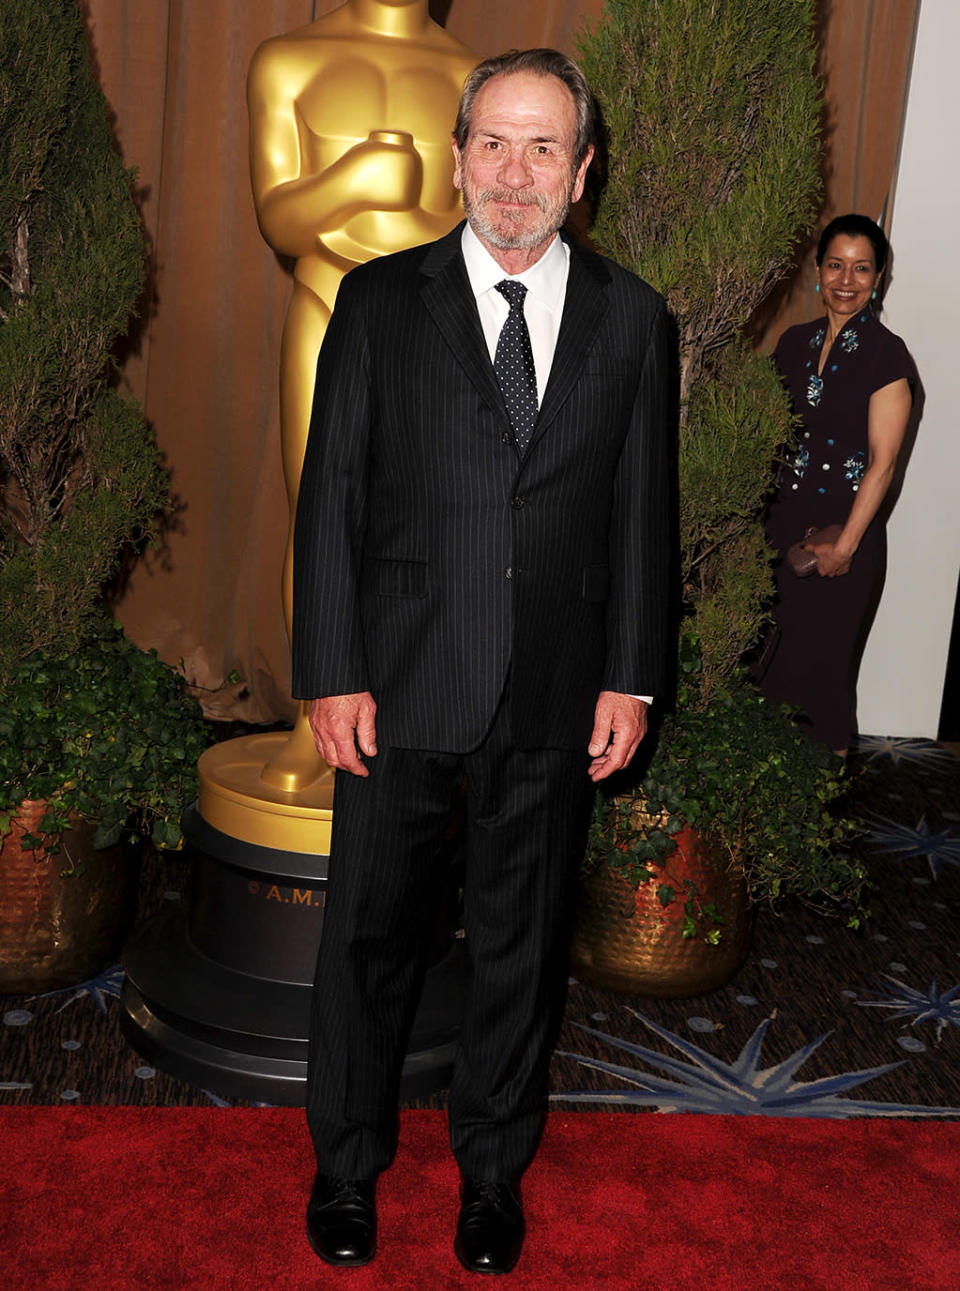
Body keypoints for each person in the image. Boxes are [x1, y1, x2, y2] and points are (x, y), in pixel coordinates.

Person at [292, 48, 671, 1274]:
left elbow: (639, 515)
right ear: (457, 159)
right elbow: (332, 493)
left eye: (544, 148)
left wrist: (632, 674)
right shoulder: (380, 301)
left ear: (584, 171)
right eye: (494, 145)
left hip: (559, 691)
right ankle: (345, 1166)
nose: (515, 174)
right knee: (369, 937)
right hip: (400, 683)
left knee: (522, 946)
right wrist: (330, 666)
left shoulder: (634, 318)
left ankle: (492, 1177)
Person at [247, 0, 477, 791]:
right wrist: (352, 181)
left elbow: (483, 225)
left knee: (429, 526)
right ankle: (314, 718)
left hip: (433, 329)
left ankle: (410, 715)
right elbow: (278, 217)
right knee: (318, 515)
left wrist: (419, 208)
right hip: (325, 303)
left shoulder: (466, 75)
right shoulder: (288, 61)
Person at [759, 214, 917, 754]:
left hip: (846, 535)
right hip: (781, 530)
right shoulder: (792, 344)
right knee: (771, 675)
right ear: (817, 272)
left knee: (824, 682)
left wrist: (845, 546)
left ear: (879, 280)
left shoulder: (886, 355)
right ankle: (768, 819)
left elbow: (883, 464)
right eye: (835, 265)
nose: (846, 281)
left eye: (862, 269)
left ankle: (817, 825)